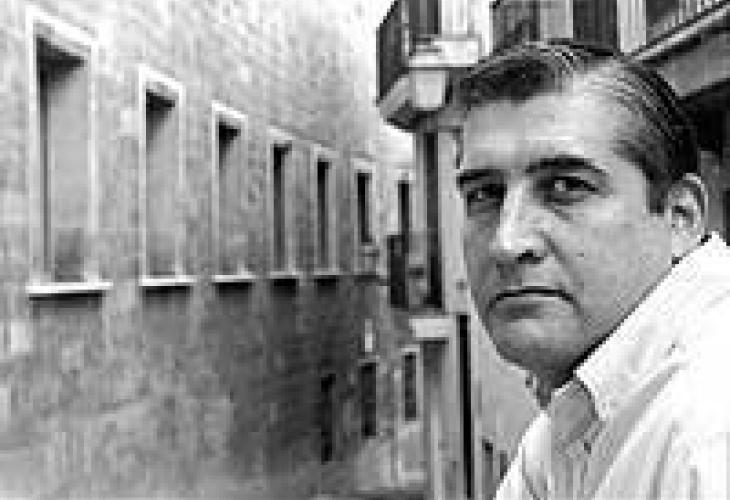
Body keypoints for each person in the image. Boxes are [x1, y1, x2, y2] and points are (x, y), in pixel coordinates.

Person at [457, 40, 730, 499]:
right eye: (484, 194)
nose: (507, 243)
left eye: (566, 187)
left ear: (680, 217)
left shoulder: (705, 430)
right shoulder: (573, 418)